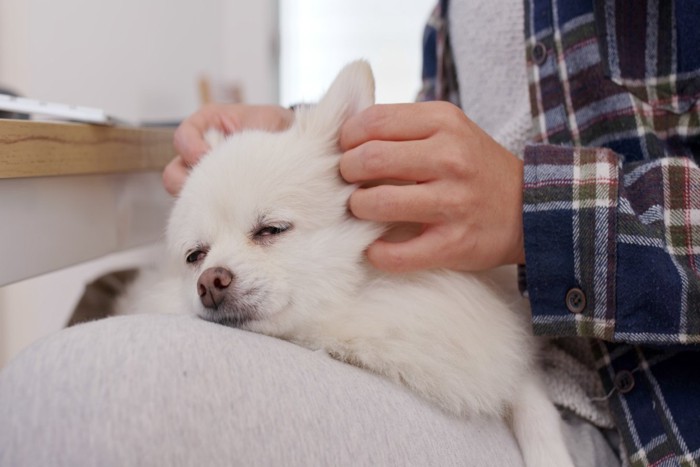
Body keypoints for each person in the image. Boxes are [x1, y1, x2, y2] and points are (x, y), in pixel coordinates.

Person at [1, 0, 697, 466]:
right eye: (198, 257)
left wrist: (535, 208)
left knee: (94, 393)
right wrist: (294, 142)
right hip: (523, 364)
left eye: (270, 229)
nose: (213, 275)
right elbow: (450, 154)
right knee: (102, 304)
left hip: (648, 417)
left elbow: (495, 185)